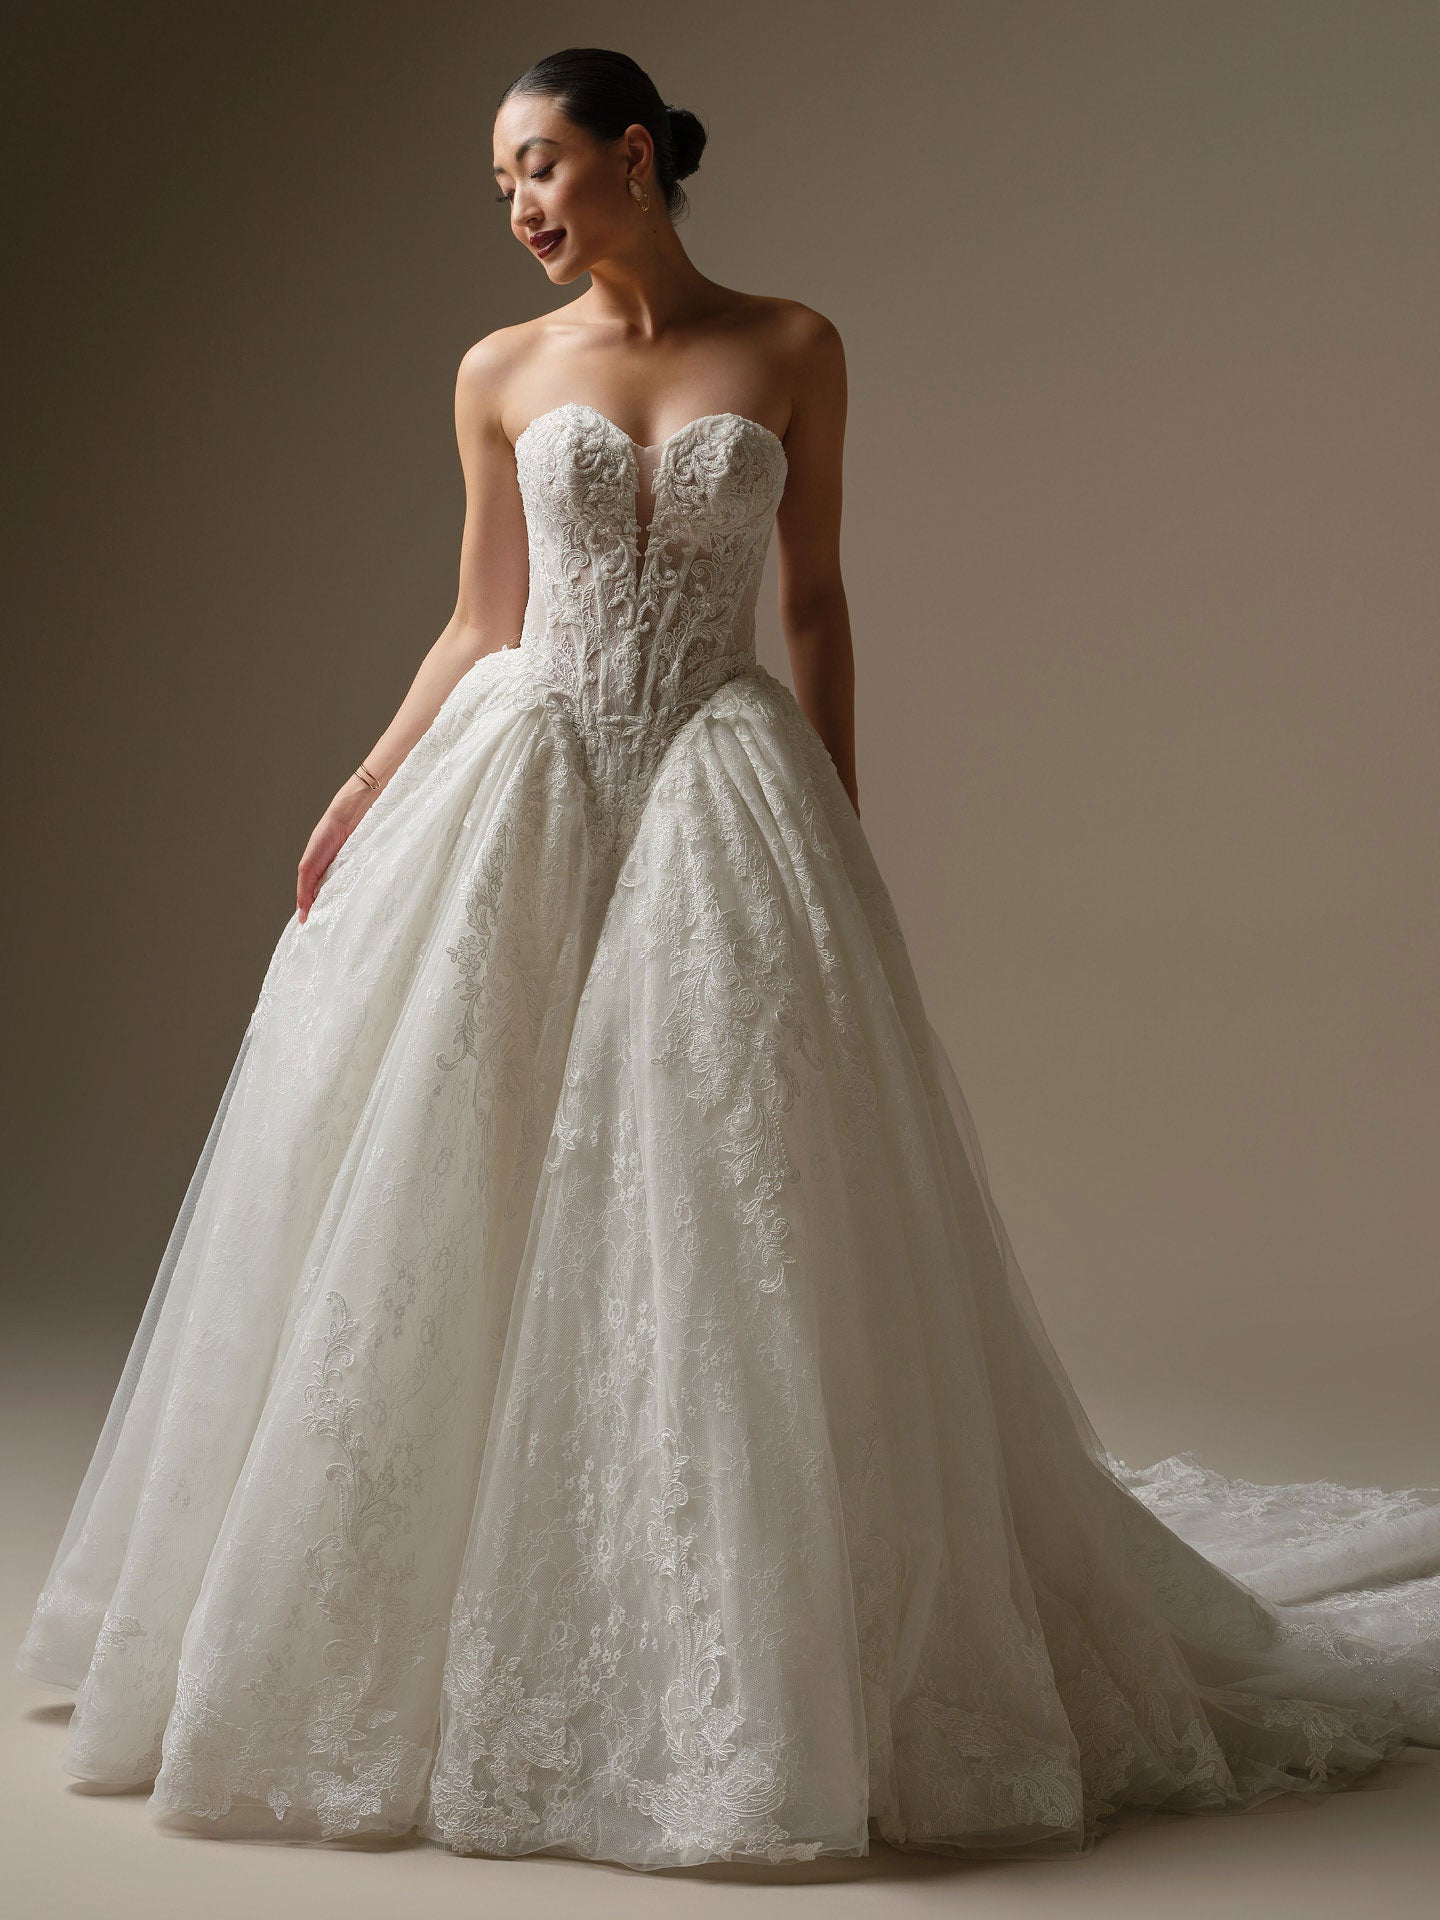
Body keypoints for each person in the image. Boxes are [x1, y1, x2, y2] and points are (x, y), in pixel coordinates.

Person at [15, 45, 1439, 1873]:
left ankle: (750, 1649)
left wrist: (831, 832)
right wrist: (365, 783)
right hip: (521, 778)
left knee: (724, 1207)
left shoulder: (794, 344)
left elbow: (819, 602)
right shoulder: (494, 372)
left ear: (633, 154)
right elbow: (479, 616)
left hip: (716, 781)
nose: (522, 206)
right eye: (499, 186)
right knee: (465, 1173)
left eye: (542, 165)